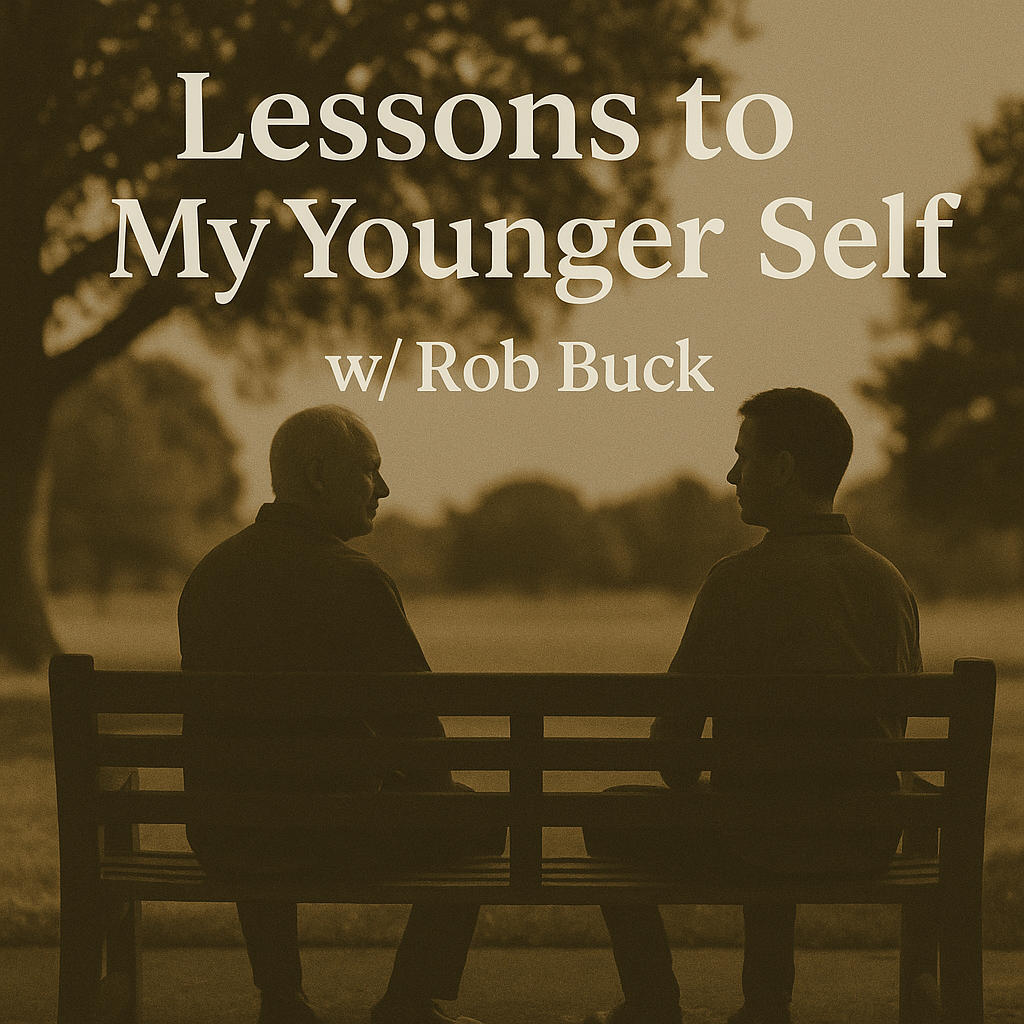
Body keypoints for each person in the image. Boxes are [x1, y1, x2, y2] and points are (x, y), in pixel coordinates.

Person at [584, 388, 922, 1024]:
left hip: (754, 834)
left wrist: (697, 777)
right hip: (866, 835)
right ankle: (766, 1004)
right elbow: (889, 725)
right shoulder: (889, 584)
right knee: (778, 796)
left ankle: (654, 1004)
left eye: (744, 457)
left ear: (786, 467)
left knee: (616, 817)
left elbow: (675, 747)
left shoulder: (733, 583)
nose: (733, 474)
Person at [178, 405, 505, 1024]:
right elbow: (418, 727)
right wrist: (437, 798)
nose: (383, 489)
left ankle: (282, 997)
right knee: (481, 822)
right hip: (337, 833)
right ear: (318, 476)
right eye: (369, 470)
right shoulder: (356, 580)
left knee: (257, 790)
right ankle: (410, 998)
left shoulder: (211, 575)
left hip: (225, 831)